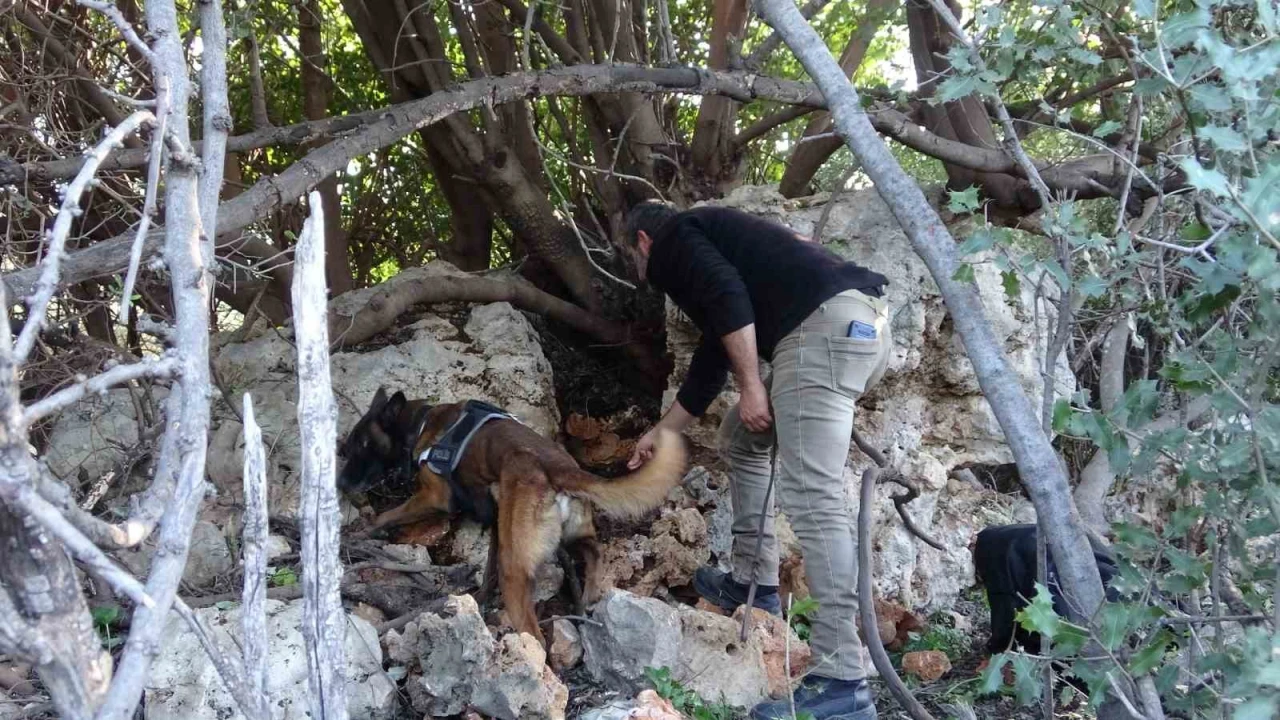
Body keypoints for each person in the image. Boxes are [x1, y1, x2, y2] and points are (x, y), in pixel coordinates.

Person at [622, 200, 891, 720]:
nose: (641, 271)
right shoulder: (720, 238)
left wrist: (751, 387)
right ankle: (756, 584)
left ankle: (844, 681)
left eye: (633, 260)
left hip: (823, 334)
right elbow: (716, 351)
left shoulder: (675, 238)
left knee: (812, 497)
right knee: (740, 442)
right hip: (861, 327)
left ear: (642, 242)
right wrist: (662, 432)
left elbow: (727, 299)